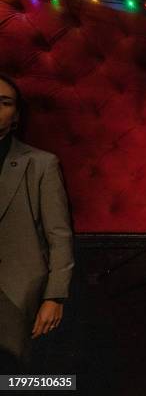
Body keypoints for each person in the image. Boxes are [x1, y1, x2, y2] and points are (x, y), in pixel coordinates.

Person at [0, 73, 74, 371]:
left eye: (3, 102)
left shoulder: (41, 163)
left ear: (16, 115)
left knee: (14, 380)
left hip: (17, 295)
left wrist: (54, 297)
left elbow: (60, 234)